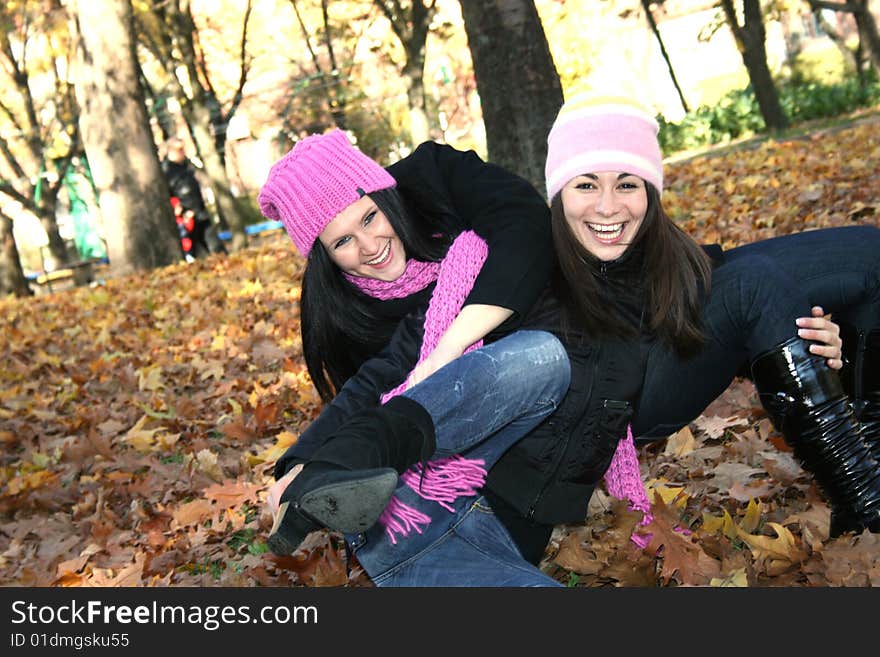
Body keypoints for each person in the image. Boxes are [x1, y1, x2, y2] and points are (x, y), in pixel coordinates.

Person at [259, 113, 866, 585]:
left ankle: (867, 473)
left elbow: (525, 222)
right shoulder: (364, 324)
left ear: (384, 196)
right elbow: (373, 388)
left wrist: (449, 344)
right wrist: (299, 466)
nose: (368, 245)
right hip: (603, 383)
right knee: (759, 292)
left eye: (368, 218)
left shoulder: (446, 210)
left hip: (637, 305)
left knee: (864, 261)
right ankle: (866, 505)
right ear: (321, 260)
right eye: (342, 241)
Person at [161, 137, 227, 259]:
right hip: (185, 219)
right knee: (191, 253)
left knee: (216, 247)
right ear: (170, 150)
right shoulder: (166, 171)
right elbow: (167, 196)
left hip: (199, 213)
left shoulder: (186, 166)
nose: (183, 152)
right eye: (179, 149)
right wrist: (181, 210)